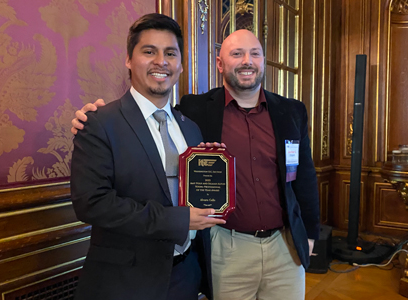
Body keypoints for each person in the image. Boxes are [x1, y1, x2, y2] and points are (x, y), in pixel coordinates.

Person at [72, 29, 320, 300]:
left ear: (263, 60)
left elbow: (304, 177)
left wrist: (309, 234)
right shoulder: (194, 111)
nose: (247, 61)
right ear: (220, 63)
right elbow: (142, 118)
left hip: (284, 244)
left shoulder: (292, 111)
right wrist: (91, 118)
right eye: (237, 54)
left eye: (255, 53)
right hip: (226, 246)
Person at [70, 13, 225, 300]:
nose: (161, 61)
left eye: (170, 53)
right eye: (149, 51)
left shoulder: (190, 128)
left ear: (180, 64)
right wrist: (178, 221)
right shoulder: (99, 122)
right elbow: (92, 204)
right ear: (129, 60)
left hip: (186, 276)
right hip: (124, 283)